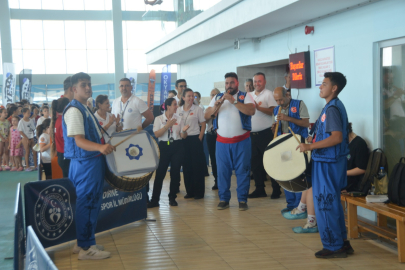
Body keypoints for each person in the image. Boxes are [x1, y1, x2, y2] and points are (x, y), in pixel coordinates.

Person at [296, 72, 353, 258]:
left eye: (324, 84)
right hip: (328, 161)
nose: (320, 87)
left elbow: (336, 137)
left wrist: (310, 146)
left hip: (328, 163)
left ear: (334, 88)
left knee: (325, 204)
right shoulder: (331, 106)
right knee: (332, 203)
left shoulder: (332, 109)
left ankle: (333, 247)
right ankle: (342, 243)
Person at [63, 72, 114, 260]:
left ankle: (84, 241)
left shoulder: (84, 108)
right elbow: (79, 141)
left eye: (89, 84)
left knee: (90, 203)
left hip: (88, 162)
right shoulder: (75, 110)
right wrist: (101, 147)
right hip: (85, 164)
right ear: (74, 89)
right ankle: (86, 249)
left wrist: (103, 146)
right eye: (83, 84)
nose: (88, 88)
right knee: (88, 203)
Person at [205, 72, 255, 211]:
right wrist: (216, 105)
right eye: (227, 83)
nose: (229, 86)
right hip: (221, 142)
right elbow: (206, 115)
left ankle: (242, 200)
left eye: (231, 83)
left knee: (243, 171)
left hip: (242, 141)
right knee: (222, 171)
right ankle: (224, 199)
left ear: (237, 83)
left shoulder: (245, 96)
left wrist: (233, 101)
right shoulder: (217, 97)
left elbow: (251, 111)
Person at [272, 87, 310, 210]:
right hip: (283, 145)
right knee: (286, 173)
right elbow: (279, 128)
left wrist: (287, 118)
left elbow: (306, 123)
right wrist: (274, 127)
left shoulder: (299, 104)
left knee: (298, 173)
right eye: (276, 100)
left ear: (287, 95)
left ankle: (300, 205)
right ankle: (290, 204)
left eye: (281, 100)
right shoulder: (276, 109)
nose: (279, 103)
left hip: (298, 144)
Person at [148, 98, 190, 208]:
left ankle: (172, 198)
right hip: (164, 146)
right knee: (160, 173)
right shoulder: (158, 119)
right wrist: (167, 126)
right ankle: (154, 200)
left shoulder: (179, 119)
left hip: (177, 146)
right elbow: (157, 134)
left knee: (175, 173)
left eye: (176, 104)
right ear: (168, 106)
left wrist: (184, 131)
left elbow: (183, 136)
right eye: (175, 104)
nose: (177, 106)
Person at [248, 72, 278, 199]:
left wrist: (258, 108)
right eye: (255, 81)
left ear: (264, 82)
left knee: (270, 162)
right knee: (255, 164)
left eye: (259, 81)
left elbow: (274, 110)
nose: (257, 84)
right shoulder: (249, 95)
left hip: (265, 134)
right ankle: (260, 189)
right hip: (251, 135)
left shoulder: (268, 94)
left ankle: (276, 189)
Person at [177, 88, 207, 199]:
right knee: (187, 166)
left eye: (192, 96)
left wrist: (200, 136)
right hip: (183, 140)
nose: (191, 98)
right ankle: (190, 191)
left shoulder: (197, 109)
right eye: (188, 96)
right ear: (183, 98)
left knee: (197, 166)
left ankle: (199, 193)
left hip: (195, 139)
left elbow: (203, 123)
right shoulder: (178, 110)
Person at [342, 123, 369, 192]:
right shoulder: (344, 144)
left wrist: (343, 173)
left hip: (353, 185)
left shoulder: (359, 144)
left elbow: (362, 169)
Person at [205, 88, 220, 190]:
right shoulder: (209, 108)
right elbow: (205, 119)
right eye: (211, 95)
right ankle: (216, 180)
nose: (213, 96)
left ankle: (221, 180)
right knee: (213, 159)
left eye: (215, 95)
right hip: (210, 135)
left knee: (220, 159)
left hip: (220, 135)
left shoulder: (224, 107)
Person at [51, 97, 71, 178]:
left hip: (62, 156)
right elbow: (66, 140)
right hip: (65, 156)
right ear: (65, 107)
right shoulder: (63, 121)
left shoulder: (58, 120)